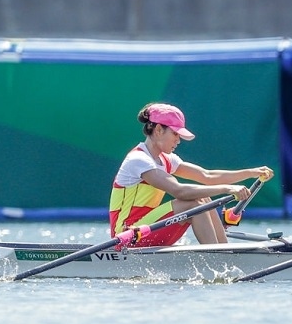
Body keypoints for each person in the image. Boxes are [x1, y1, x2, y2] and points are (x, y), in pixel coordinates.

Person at [109, 102, 274, 246]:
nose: (178, 140)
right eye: (175, 134)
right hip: (127, 235)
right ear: (158, 130)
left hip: (147, 229)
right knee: (193, 204)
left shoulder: (166, 159)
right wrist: (228, 189)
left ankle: (223, 251)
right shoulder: (138, 159)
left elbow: (207, 176)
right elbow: (179, 191)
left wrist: (251, 172)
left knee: (204, 200)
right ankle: (217, 259)